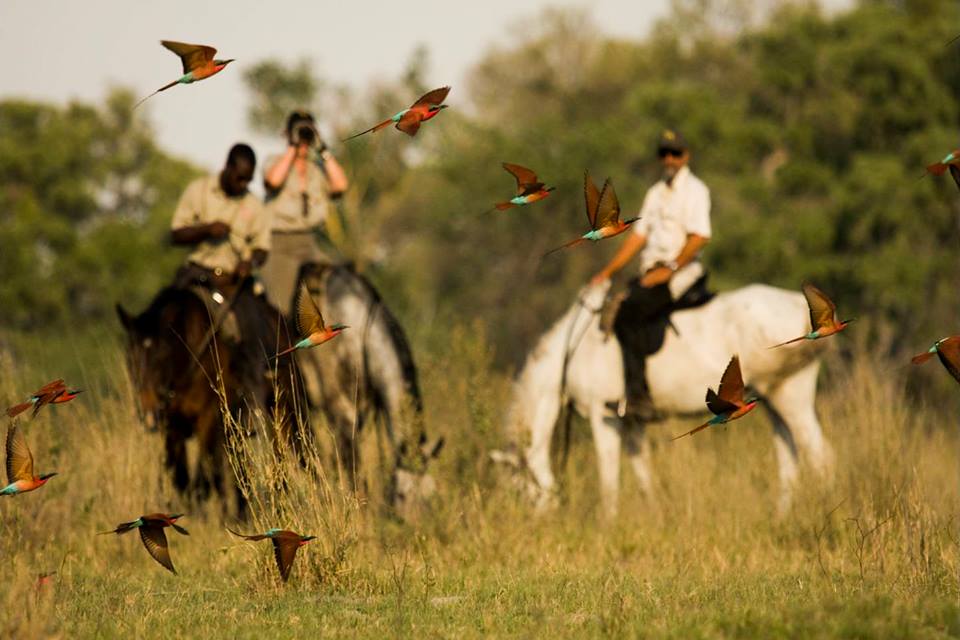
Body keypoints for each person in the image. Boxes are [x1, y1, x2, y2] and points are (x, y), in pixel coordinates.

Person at [591, 129, 712, 420]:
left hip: (681, 271)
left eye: (675, 153)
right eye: (664, 153)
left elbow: (699, 237)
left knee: (629, 313)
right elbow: (638, 237)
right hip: (652, 271)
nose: (669, 159)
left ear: (686, 156)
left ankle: (640, 399)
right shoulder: (655, 193)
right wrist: (607, 272)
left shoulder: (696, 190)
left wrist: (669, 269)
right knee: (615, 306)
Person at [170, 142, 276, 397]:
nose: (243, 185)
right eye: (239, 178)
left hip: (232, 282)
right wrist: (206, 229)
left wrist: (249, 263)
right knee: (167, 321)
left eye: (248, 181)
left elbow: (262, 247)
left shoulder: (254, 204)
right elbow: (176, 234)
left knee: (255, 330)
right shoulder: (199, 191)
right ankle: (166, 392)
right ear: (227, 168)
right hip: (196, 274)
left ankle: (251, 394)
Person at [260, 111, 349, 315]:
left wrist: (323, 149)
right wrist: (292, 147)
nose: (303, 140)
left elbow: (341, 185)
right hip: (278, 244)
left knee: (334, 289)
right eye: (299, 132)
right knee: (280, 306)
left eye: (307, 133)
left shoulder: (317, 168)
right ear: (287, 134)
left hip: (309, 243)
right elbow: (273, 181)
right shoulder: (275, 162)